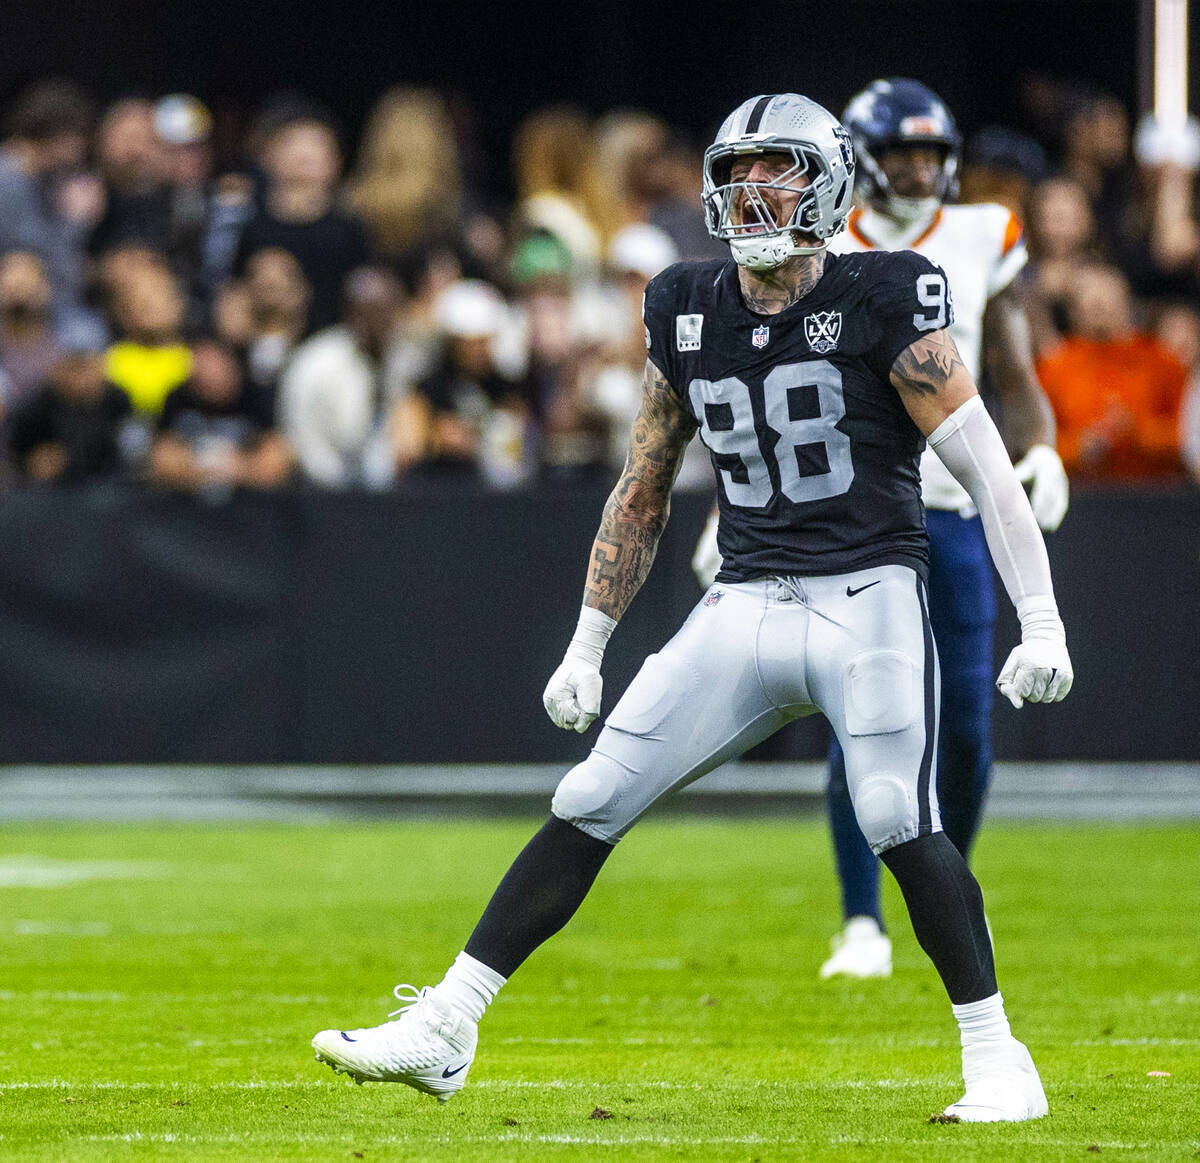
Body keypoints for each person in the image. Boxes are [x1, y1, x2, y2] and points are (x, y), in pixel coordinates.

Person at [312, 93, 1073, 1123]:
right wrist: (589, 644)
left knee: (897, 812)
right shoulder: (684, 301)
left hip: (868, 591)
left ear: (831, 182)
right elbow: (643, 483)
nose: (752, 190)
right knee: (591, 795)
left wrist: (1044, 618)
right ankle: (447, 1023)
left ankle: (999, 1059)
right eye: (737, 170)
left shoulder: (890, 293)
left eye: (780, 169)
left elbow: (985, 472)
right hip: (745, 597)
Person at [820, 79, 1070, 980]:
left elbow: (1012, 363)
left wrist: (1044, 447)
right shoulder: (816, 241)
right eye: (902, 153)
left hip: (953, 502)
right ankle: (860, 921)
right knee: (865, 716)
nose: (920, 170)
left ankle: (943, 891)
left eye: (931, 153)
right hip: (850, 512)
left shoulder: (981, 235)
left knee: (963, 722)